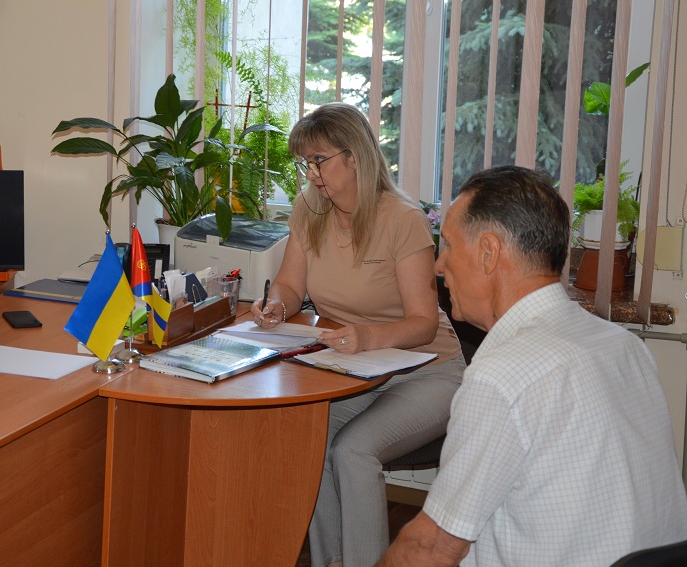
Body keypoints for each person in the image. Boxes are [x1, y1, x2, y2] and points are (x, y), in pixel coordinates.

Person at [377, 166, 687, 567]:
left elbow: (433, 548)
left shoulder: (504, 376)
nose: (439, 266)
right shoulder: (623, 346)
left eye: (449, 246)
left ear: (489, 252)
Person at [250, 103, 465, 567]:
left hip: (429, 371)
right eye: (305, 163)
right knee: (307, 438)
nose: (311, 174)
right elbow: (290, 286)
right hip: (356, 369)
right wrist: (276, 306)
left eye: (318, 160)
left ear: (354, 157)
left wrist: (366, 337)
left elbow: (424, 323)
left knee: (353, 451)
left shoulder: (401, 219)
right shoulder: (309, 210)